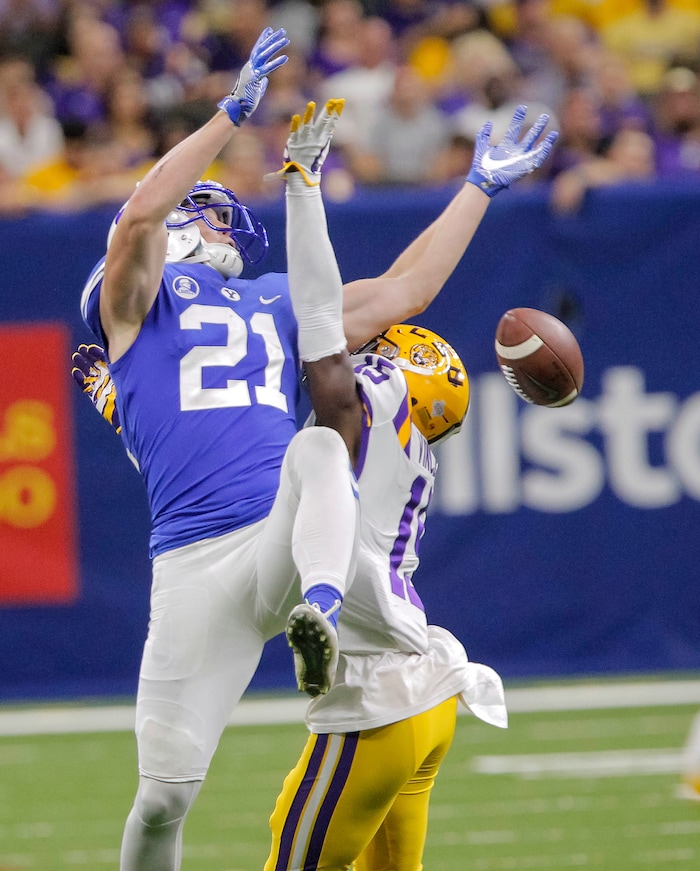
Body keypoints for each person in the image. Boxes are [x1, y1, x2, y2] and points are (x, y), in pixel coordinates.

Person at [74, 23, 556, 870]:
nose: (226, 228)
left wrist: (479, 185)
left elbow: (410, 289)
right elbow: (141, 209)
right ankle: (357, 620)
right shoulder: (136, 300)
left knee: (317, 452)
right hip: (192, 567)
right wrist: (230, 112)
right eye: (212, 214)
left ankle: (324, 613)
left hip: (287, 541)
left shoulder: (273, 301)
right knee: (162, 800)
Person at [261, 99, 509, 871]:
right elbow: (409, 286)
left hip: (374, 701)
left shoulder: (361, 405)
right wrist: (476, 190)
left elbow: (334, 329)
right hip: (428, 694)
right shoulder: (410, 435)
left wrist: (303, 193)